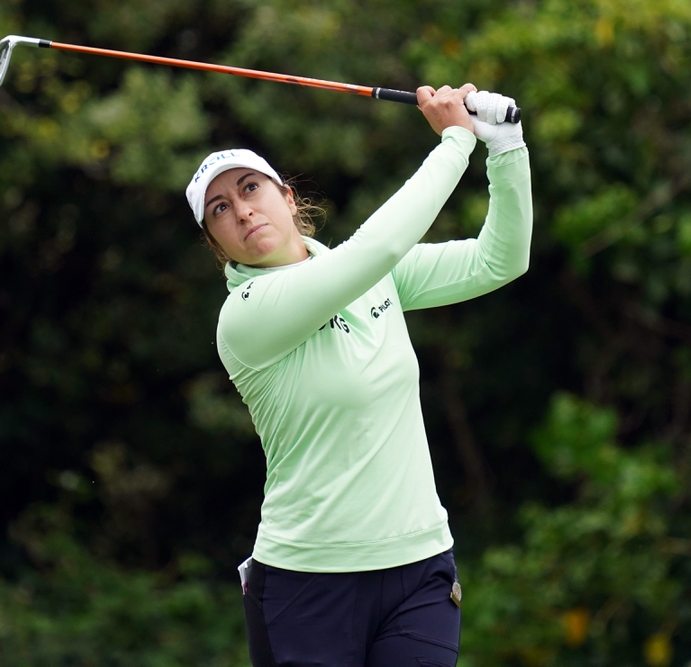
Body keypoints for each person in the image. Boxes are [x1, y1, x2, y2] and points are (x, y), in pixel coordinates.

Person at [185, 83, 532, 667]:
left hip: (419, 569)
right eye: (220, 208)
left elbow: (501, 260)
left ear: (287, 198)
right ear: (216, 244)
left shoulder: (374, 276)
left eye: (250, 189)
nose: (241, 209)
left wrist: (506, 149)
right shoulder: (244, 319)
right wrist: (454, 141)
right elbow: (375, 249)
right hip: (306, 585)